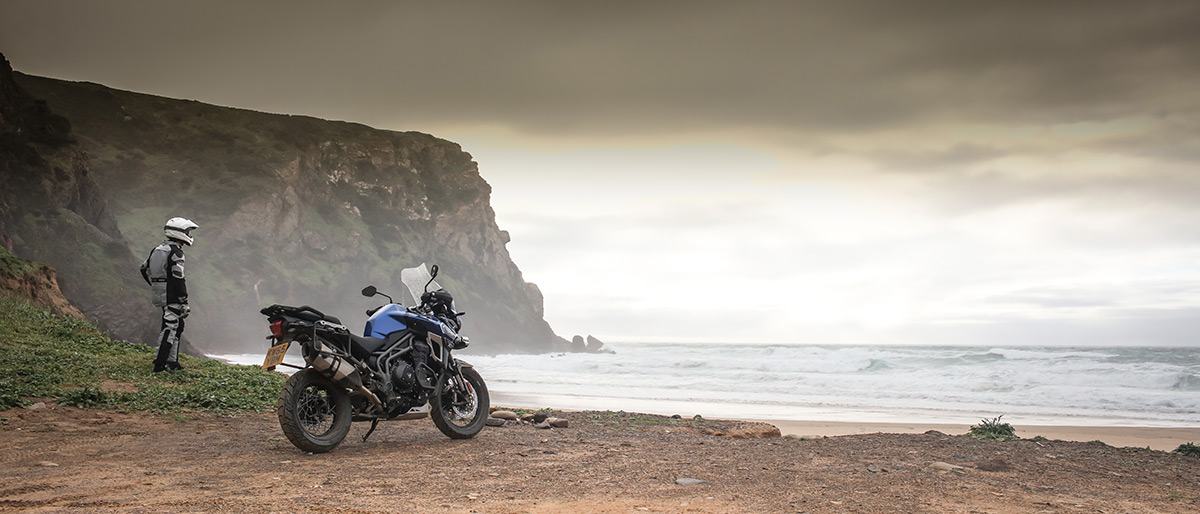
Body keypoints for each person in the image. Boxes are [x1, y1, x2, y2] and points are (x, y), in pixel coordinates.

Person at [140, 217, 198, 373]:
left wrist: (155, 285)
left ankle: (172, 361)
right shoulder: (176, 252)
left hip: (160, 292)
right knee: (170, 327)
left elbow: (143, 268)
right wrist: (183, 299)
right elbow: (178, 277)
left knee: (178, 325)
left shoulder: (158, 249)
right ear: (178, 232)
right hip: (171, 294)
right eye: (187, 232)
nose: (189, 235)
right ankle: (160, 364)